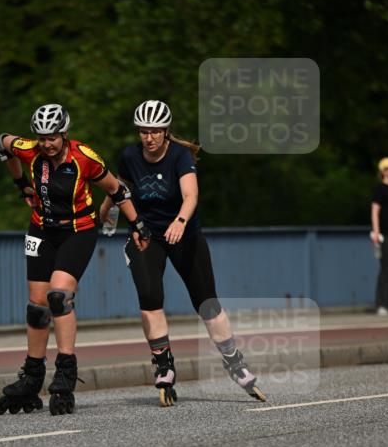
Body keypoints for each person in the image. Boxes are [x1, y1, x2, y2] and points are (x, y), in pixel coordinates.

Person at [100, 99, 265, 405]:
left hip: (184, 234)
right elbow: (119, 187)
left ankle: (234, 361)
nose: (149, 138)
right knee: (149, 297)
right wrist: (108, 211)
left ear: (166, 131)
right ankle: (164, 365)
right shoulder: (130, 155)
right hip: (147, 235)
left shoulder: (179, 155)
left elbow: (191, 194)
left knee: (206, 302)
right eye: (143, 131)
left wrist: (180, 220)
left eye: (155, 131)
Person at [0, 104, 146, 414]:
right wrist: (20, 183)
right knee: (36, 306)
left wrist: (138, 224)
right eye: (42, 138)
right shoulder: (30, 150)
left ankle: (65, 374)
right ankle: (32, 377)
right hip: (41, 230)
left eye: (52, 137)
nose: (46, 144)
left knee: (58, 295)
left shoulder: (84, 158)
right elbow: (3, 142)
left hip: (78, 230)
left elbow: (118, 191)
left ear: (64, 133)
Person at [371, 157, 388, 315]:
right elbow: (375, 211)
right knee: (385, 268)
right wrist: (376, 232)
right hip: (386, 235)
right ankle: (382, 304)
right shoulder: (380, 189)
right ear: (383, 171)